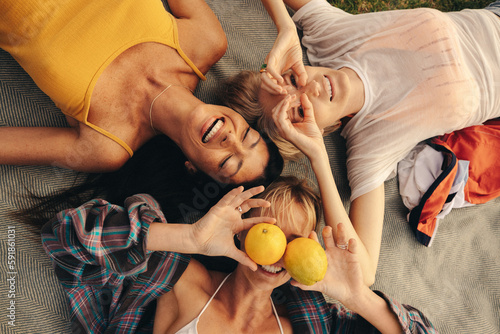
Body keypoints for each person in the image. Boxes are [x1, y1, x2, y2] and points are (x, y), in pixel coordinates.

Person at [220, 0, 500, 280]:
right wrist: (318, 156)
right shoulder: (370, 147)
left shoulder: (328, 36)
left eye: (292, 79)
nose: (313, 86)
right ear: (310, 130)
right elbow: (364, 272)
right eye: (298, 109)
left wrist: (285, 28)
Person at [41, 179, 436, 333]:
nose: (276, 248)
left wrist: (357, 297)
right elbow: (65, 239)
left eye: (293, 239)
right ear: (240, 231)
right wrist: (191, 238)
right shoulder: (178, 281)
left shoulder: (318, 325)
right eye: (267, 228)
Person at [0, 0, 299, 185]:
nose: (230, 139)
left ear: (193, 168)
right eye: (247, 136)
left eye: (227, 162)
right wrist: (286, 26)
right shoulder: (206, 42)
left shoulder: (108, 146)